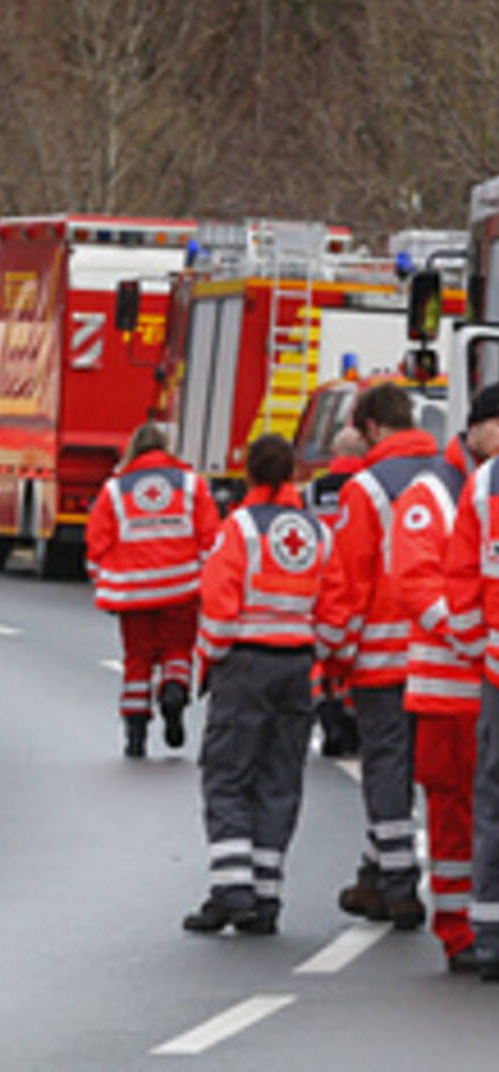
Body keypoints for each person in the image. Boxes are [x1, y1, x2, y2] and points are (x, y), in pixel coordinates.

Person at [183, 434, 330, 935]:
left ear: (248, 473)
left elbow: (219, 609)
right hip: (297, 666)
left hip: (246, 662)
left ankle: (232, 888)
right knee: (278, 778)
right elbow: (331, 607)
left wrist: (207, 661)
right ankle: (266, 896)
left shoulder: (240, 529)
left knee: (227, 774)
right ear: (291, 474)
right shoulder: (314, 531)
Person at [316, 382, 438, 930]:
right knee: (424, 767)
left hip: (382, 655)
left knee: (385, 764)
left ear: (368, 428)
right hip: (442, 655)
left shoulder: (365, 488)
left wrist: (334, 658)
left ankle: (398, 881)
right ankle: (373, 876)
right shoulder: (446, 479)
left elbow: (348, 578)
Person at [392, 386, 499, 974]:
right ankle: (457, 928)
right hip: (449, 689)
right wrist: (474, 640)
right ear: (479, 428)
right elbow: (416, 582)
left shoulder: (481, 489)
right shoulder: (431, 493)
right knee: (454, 814)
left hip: (483, 682)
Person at [86, 422, 220, 757]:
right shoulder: (192, 485)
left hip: (133, 592)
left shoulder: (114, 489)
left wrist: (103, 582)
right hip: (182, 586)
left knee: (138, 658)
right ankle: (174, 693)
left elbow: (97, 544)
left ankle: (135, 731)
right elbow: (210, 538)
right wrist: (207, 581)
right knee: (178, 649)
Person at [445, 386, 499, 982]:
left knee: (493, 803)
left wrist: (475, 648)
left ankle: (490, 934)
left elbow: (459, 584)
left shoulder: (483, 486)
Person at [304, 425, 367, 757]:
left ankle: (325, 710)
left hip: (321, 580)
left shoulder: (313, 491)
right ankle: (349, 714)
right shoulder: (369, 488)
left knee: (323, 649)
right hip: (358, 578)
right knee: (352, 653)